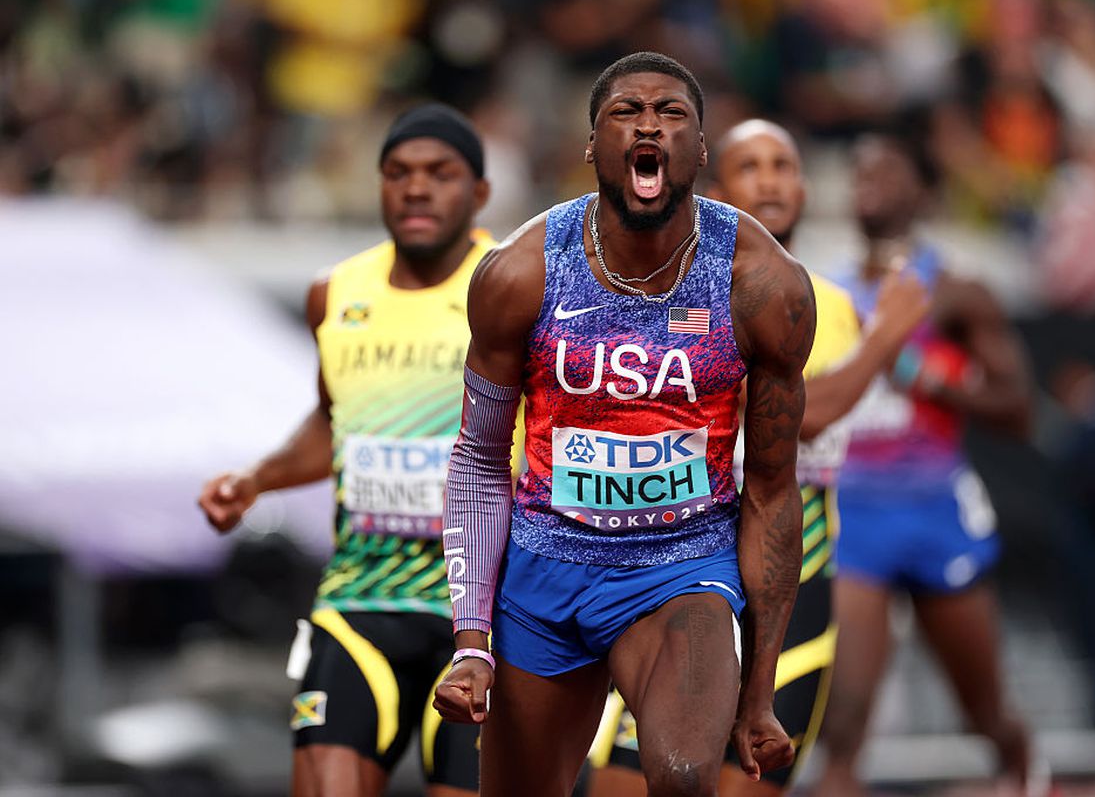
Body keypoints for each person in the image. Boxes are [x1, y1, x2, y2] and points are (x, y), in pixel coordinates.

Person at [431, 52, 816, 797]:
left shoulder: (763, 284)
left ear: (700, 151)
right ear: (590, 146)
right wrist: (472, 643)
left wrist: (759, 692)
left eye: (671, 114)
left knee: (682, 779)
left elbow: (772, 490)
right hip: (545, 569)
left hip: (682, 569)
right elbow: (479, 460)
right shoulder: (520, 273)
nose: (648, 126)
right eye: (625, 112)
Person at [587, 120, 930, 796]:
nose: (770, 181)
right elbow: (807, 414)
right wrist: (886, 338)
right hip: (685, 583)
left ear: (804, 189)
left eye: (783, 166)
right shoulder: (683, 299)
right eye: (751, 167)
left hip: (795, 593)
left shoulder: (835, 307)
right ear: (715, 191)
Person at [197, 104, 496, 797]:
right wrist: (256, 480)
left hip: (481, 615)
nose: (416, 188)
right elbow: (335, 421)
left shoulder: (511, 287)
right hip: (361, 594)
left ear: (479, 192)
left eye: (440, 173)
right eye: (398, 172)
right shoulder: (335, 294)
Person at [813, 129, 1041, 797]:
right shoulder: (826, 294)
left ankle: (1028, 775)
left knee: (985, 713)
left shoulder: (958, 293)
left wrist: (926, 377)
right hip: (856, 514)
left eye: (885, 171)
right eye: (859, 173)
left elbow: (1018, 411)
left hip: (935, 508)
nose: (868, 182)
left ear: (920, 189)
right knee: (843, 725)